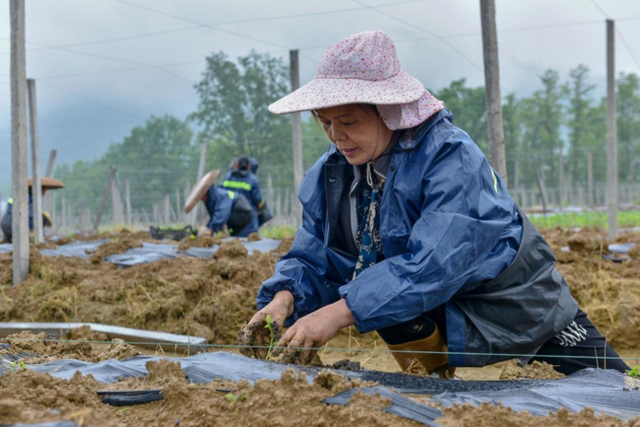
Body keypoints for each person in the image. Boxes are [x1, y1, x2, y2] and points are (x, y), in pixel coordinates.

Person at [239, 31, 629, 377]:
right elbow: (315, 254)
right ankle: (430, 383)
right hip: (427, 303)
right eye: (325, 123)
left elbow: (433, 266)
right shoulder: (334, 172)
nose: (336, 136)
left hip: (513, 298)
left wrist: (336, 313)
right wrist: (285, 297)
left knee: (616, 390)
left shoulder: (450, 157)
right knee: (390, 308)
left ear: (388, 112)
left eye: (348, 121)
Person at [184, 170, 253, 237]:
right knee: (230, 233)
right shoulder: (211, 198)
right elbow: (213, 215)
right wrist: (209, 226)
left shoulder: (220, 195)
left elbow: (222, 212)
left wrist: (211, 230)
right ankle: (230, 238)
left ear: (205, 193)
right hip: (236, 211)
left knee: (221, 218)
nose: (201, 199)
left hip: (242, 211)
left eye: (201, 197)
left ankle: (228, 236)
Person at [1, 177, 63, 243]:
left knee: (11, 244)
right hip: (14, 226)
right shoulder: (30, 198)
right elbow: (30, 214)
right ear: (39, 189)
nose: (44, 193)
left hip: (4, 224)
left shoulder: (17, 196)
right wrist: (33, 230)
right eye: (44, 190)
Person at [221, 156, 265, 237]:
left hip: (232, 218)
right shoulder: (252, 179)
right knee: (251, 243)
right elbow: (258, 200)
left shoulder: (228, 177)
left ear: (237, 165)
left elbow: (221, 194)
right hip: (249, 221)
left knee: (234, 245)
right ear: (249, 165)